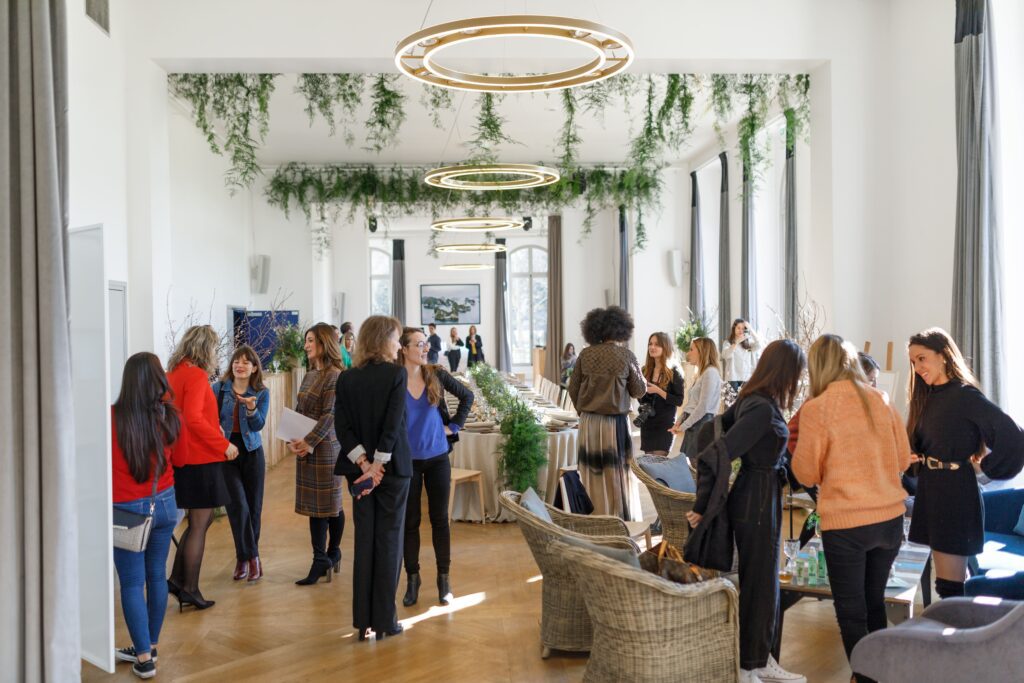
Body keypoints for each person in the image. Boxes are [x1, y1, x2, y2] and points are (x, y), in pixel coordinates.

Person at [791, 335, 912, 682]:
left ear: (817, 367)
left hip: (846, 523)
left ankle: (865, 677)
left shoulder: (817, 408)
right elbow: (904, 459)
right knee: (874, 601)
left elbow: (805, 473)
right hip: (889, 519)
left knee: (850, 609)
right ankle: (879, 673)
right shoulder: (880, 399)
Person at [687, 339, 807, 683]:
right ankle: (748, 666)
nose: (799, 380)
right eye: (798, 373)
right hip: (756, 501)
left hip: (759, 495)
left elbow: (714, 433)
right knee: (759, 584)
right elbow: (715, 450)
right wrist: (703, 505)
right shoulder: (760, 408)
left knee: (764, 582)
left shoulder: (754, 400)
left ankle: (760, 658)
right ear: (784, 371)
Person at [905, 328, 1024, 599]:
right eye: (913, 362)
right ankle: (954, 623)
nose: (917, 368)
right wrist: (914, 458)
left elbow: (1014, 437)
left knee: (951, 586)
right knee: (945, 584)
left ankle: (957, 626)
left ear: (943, 355)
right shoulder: (926, 397)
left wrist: (986, 468)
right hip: (932, 490)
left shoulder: (965, 396)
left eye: (922, 358)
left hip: (955, 494)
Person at [334, 315, 412, 641]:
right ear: (382, 340)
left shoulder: (347, 378)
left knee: (365, 541)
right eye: (396, 339)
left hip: (359, 473)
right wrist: (378, 465)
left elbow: (342, 426)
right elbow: (393, 424)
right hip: (392, 472)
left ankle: (363, 621)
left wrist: (364, 463)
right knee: (390, 541)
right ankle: (385, 620)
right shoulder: (397, 374)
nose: (399, 346)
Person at [111, 353, 183, 679]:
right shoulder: (169, 415)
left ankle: (144, 658)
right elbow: (180, 458)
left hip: (128, 511)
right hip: (165, 504)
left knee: (131, 582)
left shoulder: (112, 418)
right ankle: (150, 645)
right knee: (156, 576)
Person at [397, 327, 474, 608]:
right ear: (404, 349)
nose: (425, 348)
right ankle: (412, 578)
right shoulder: (394, 379)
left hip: (438, 457)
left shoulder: (435, 374)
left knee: (440, 519)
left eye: (425, 343)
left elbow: (467, 396)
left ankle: (444, 579)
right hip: (408, 461)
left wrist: (453, 426)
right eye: (419, 344)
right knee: (410, 522)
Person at [167, 325, 236, 610]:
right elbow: (193, 418)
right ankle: (190, 588)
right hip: (200, 457)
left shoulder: (174, 373)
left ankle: (177, 579)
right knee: (199, 523)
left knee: (200, 522)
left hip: (183, 457)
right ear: (205, 348)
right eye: (215, 348)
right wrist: (223, 444)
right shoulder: (195, 375)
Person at [567, 306, 647, 520]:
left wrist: (583, 410)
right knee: (616, 471)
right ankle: (616, 516)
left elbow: (572, 388)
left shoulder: (586, 354)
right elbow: (639, 390)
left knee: (591, 470)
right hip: (616, 423)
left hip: (589, 421)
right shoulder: (626, 355)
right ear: (622, 329)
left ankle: (593, 515)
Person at [291, 323, 346, 585]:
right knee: (316, 507)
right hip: (306, 446)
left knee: (330, 505)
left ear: (324, 343)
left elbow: (329, 415)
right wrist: (292, 438)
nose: (306, 345)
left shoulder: (335, 375)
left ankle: (329, 554)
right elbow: (300, 409)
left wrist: (308, 442)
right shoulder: (310, 373)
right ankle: (323, 557)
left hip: (325, 448)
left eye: (310, 340)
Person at [212, 345, 270, 583]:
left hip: (252, 452)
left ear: (254, 368)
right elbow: (210, 420)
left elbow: (258, 425)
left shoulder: (261, 392)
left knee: (254, 508)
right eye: (237, 361)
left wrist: (251, 408)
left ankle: (245, 559)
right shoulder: (218, 389)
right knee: (238, 506)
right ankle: (250, 557)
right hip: (227, 453)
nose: (240, 365)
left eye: (246, 362)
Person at [672, 337, 722, 461]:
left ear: (702, 351)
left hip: (702, 424)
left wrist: (683, 426)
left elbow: (703, 407)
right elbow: (692, 404)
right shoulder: (702, 373)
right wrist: (680, 420)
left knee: (698, 465)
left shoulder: (710, 372)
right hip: (695, 423)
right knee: (693, 465)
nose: (688, 353)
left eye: (691, 349)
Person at [638, 332, 684, 456]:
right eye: (650, 344)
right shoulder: (644, 370)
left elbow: (679, 400)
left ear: (665, 347)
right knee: (648, 464)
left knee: (658, 462)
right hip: (647, 423)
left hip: (664, 424)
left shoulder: (674, 371)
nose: (652, 347)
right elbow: (641, 400)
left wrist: (658, 390)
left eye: (657, 344)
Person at [721, 318, 761, 392]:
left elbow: (759, 344)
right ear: (734, 329)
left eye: (743, 328)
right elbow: (725, 355)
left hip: (746, 378)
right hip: (733, 378)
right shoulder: (728, 343)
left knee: (746, 399)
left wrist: (751, 329)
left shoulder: (749, 344)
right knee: (732, 399)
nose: (741, 330)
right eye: (738, 328)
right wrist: (736, 343)